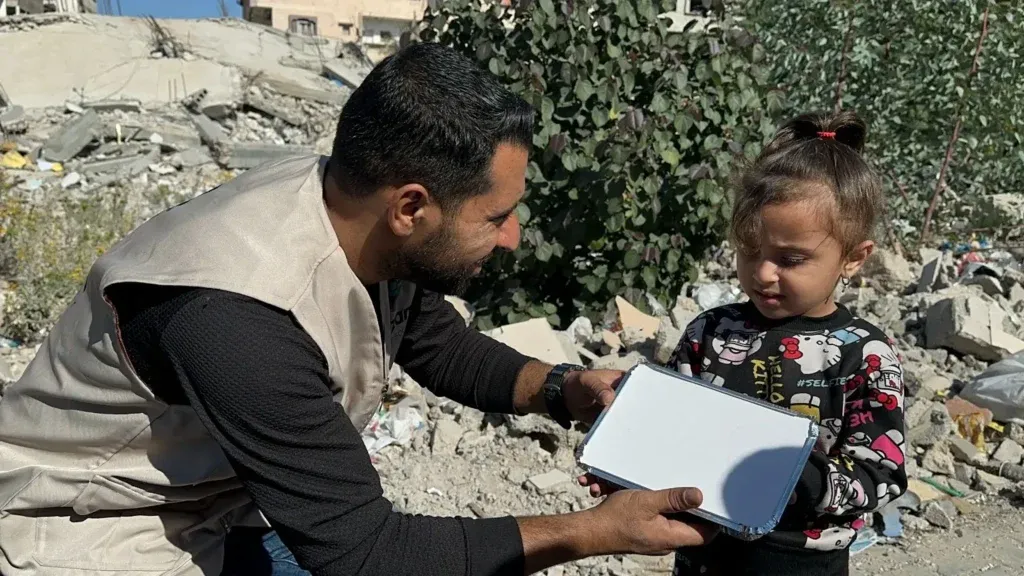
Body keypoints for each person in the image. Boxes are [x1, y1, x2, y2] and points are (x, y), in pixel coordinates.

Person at [0, 43, 716, 576]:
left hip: (218, 503)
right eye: (496, 216)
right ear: (411, 206)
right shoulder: (235, 319)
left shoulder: (353, 211)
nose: (512, 238)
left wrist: (562, 389)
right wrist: (593, 531)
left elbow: (436, 343)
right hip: (94, 527)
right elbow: (366, 552)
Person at [663, 111, 907, 575]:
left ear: (853, 258)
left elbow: (881, 473)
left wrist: (802, 479)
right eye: (749, 250)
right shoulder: (709, 334)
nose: (762, 273)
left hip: (803, 562)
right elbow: (668, 424)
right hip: (704, 552)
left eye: (790, 259)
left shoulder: (864, 355)